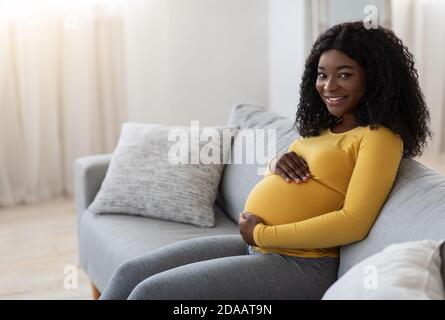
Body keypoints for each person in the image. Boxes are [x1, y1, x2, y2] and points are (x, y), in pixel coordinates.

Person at [100, 21, 431, 300]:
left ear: (374, 78)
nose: (328, 86)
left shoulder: (378, 137)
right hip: (259, 246)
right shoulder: (323, 126)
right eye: (321, 74)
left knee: (151, 294)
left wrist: (261, 235)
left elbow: (353, 222)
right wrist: (277, 163)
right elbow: (307, 176)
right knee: (130, 273)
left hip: (301, 264)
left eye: (344, 75)